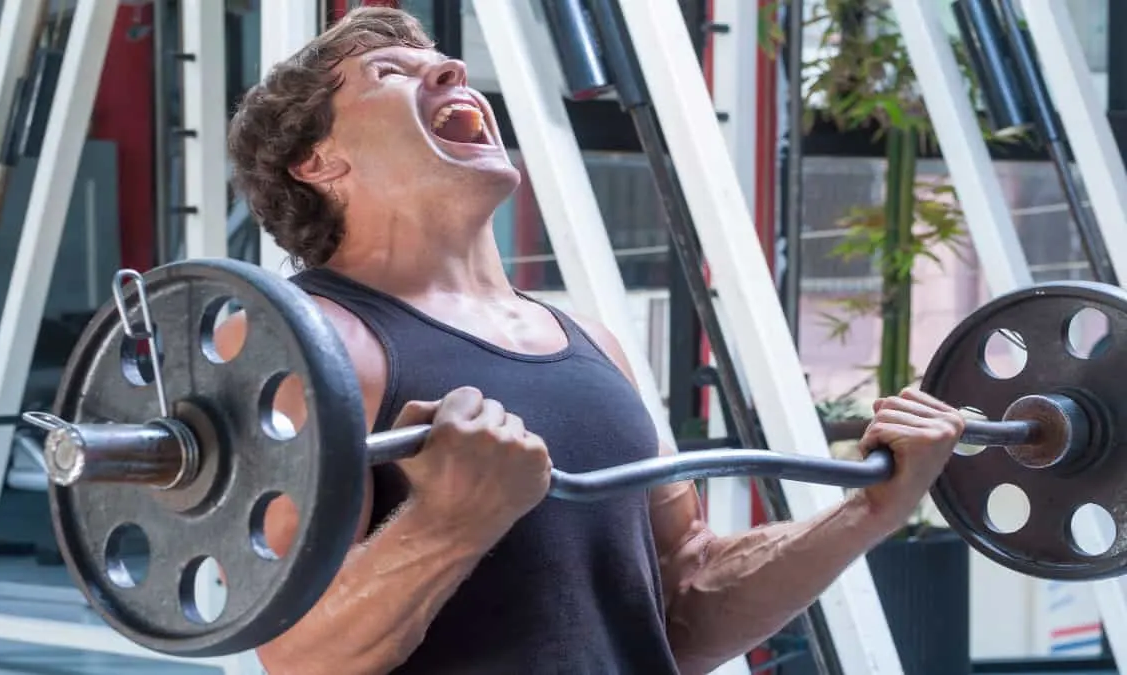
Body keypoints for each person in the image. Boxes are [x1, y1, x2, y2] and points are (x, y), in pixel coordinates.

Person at [219, 7, 965, 674]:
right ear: (319, 163)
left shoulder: (589, 342)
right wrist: (446, 522)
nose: (452, 69)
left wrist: (870, 508)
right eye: (389, 72)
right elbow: (299, 654)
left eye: (444, 61)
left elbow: (684, 602)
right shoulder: (316, 341)